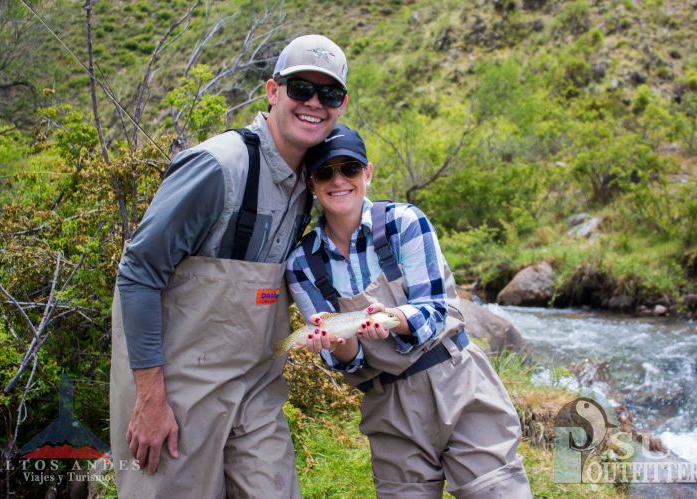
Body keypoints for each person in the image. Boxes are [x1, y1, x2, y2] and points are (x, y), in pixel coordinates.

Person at [109, 34, 349, 498]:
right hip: (178, 385)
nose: (314, 103)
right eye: (301, 88)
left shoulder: (313, 182)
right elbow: (138, 273)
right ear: (272, 90)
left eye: (329, 94)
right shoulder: (217, 167)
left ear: (341, 104)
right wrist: (151, 397)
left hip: (256, 387)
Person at [286, 125, 532, 498]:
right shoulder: (302, 262)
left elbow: (434, 309)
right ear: (311, 183)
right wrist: (335, 343)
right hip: (388, 404)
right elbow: (347, 362)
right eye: (324, 173)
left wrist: (392, 319)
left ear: (367, 173)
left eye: (349, 169)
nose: (338, 181)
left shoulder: (403, 223)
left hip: (456, 379)